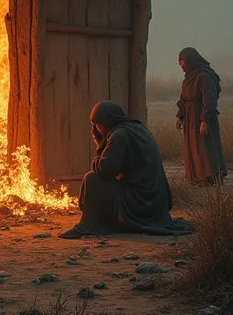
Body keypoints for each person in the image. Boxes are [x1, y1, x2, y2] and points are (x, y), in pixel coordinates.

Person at [60, 100, 192, 239]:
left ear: (107, 122)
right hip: (155, 202)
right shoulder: (137, 127)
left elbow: (105, 170)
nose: (97, 130)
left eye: (98, 125)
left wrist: (98, 149)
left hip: (140, 202)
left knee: (91, 179)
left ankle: (91, 225)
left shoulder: (119, 135)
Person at [176, 47, 227, 185]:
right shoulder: (188, 79)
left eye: (182, 61)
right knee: (193, 148)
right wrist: (180, 116)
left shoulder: (204, 76)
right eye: (179, 61)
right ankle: (197, 177)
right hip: (190, 118)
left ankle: (210, 177)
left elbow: (209, 100)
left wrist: (204, 120)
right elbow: (184, 99)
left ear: (190, 60)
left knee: (205, 147)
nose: (180, 64)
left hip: (202, 116)